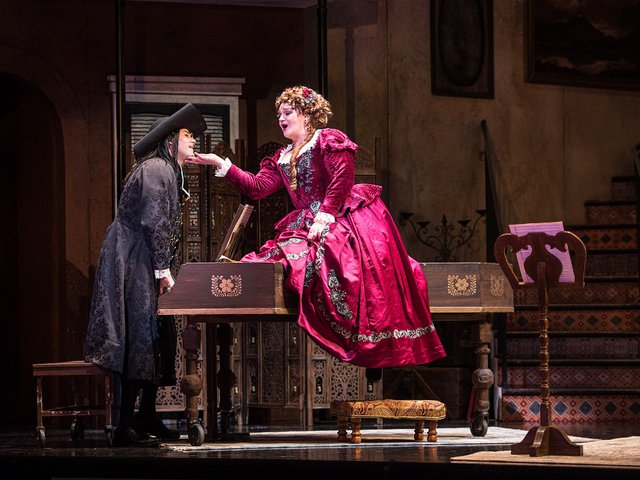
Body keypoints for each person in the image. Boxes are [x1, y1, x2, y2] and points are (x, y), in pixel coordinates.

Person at [188, 86, 446, 369]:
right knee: (285, 257)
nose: (281, 119)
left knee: (332, 260)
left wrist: (324, 217)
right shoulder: (282, 156)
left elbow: (342, 178)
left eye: (288, 113)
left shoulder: (327, 139)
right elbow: (259, 187)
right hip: (306, 219)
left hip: (339, 216)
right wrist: (221, 164)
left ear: (307, 115)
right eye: (279, 114)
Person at [85, 103, 207, 447]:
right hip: (133, 259)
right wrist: (163, 269)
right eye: (187, 135)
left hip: (143, 258)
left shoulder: (168, 170)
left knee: (155, 334)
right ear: (170, 140)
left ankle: (147, 415)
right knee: (140, 333)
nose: (193, 141)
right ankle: (125, 425)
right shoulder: (156, 168)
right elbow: (154, 219)